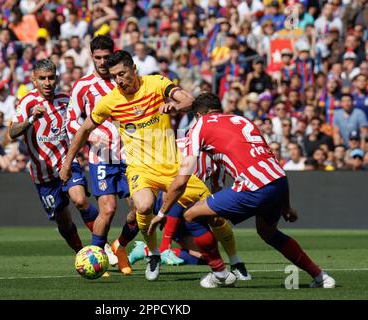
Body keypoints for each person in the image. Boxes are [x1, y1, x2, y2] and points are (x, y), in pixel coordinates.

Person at [149, 93, 336, 289]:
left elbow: (182, 179)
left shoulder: (200, 125)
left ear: (198, 114)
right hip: (279, 181)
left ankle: (219, 272)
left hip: (253, 187)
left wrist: (162, 212)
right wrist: (286, 206)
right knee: (268, 233)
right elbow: (270, 160)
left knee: (191, 215)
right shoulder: (241, 120)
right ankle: (320, 276)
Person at [60, 50, 210, 282]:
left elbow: (189, 101)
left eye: (121, 74)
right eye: (114, 76)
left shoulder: (156, 83)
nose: (118, 80)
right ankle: (146, 253)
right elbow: (82, 128)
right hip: (123, 161)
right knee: (122, 207)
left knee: (207, 214)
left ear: (133, 69)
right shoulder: (106, 98)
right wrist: (68, 161)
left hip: (169, 163)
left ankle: (122, 244)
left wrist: (174, 106)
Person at [130, 137, 252, 281]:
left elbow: (216, 190)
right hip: (168, 202)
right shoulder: (179, 145)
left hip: (189, 208)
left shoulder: (218, 157)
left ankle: (236, 263)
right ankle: (161, 250)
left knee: (206, 251)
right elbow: (173, 189)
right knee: (178, 196)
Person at [66, 35, 138, 275]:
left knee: (141, 210)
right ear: (91, 57)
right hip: (101, 157)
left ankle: (120, 245)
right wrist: (89, 136)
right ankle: (96, 256)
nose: (103, 62)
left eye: (107, 57)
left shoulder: (124, 82)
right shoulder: (83, 86)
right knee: (107, 209)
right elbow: (71, 121)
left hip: (130, 155)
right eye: (98, 58)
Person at [8, 59, 86, 258]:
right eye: (42, 78)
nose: (47, 82)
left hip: (66, 163)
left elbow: (80, 127)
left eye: (51, 78)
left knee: (79, 199)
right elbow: (12, 132)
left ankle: (101, 246)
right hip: (44, 175)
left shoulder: (66, 100)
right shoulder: (27, 102)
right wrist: (32, 118)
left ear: (57, 78)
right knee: (64, 221)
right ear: (34, 80)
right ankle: (83, 254)